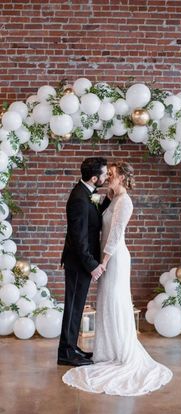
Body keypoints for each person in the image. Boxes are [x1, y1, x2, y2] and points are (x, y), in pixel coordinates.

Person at [62, 161, 173, 396]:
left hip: (114, 258)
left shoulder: (125, 202)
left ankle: (117, 351)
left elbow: (114, 236)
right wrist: (97, 262)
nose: (107, 177)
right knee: (104, 302)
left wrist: (102, 263)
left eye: (111, 174)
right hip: (99, 259)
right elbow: (90, 226)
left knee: (115, 301)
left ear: (121, 177)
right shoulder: (103, 198)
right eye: (106, 174)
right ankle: (97, 351)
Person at [58, 157, 111, 367]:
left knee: (77, 307)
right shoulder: (80, 198)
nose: (107, 178)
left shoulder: (87, 192)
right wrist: (92, 265)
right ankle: (66, 353)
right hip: (78, 262)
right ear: (94, 177)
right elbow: (78, 238)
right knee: (73, 307)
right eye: (105, 175)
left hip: (81, 261)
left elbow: (94, 217)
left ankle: (72, 347)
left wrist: (110, 198)